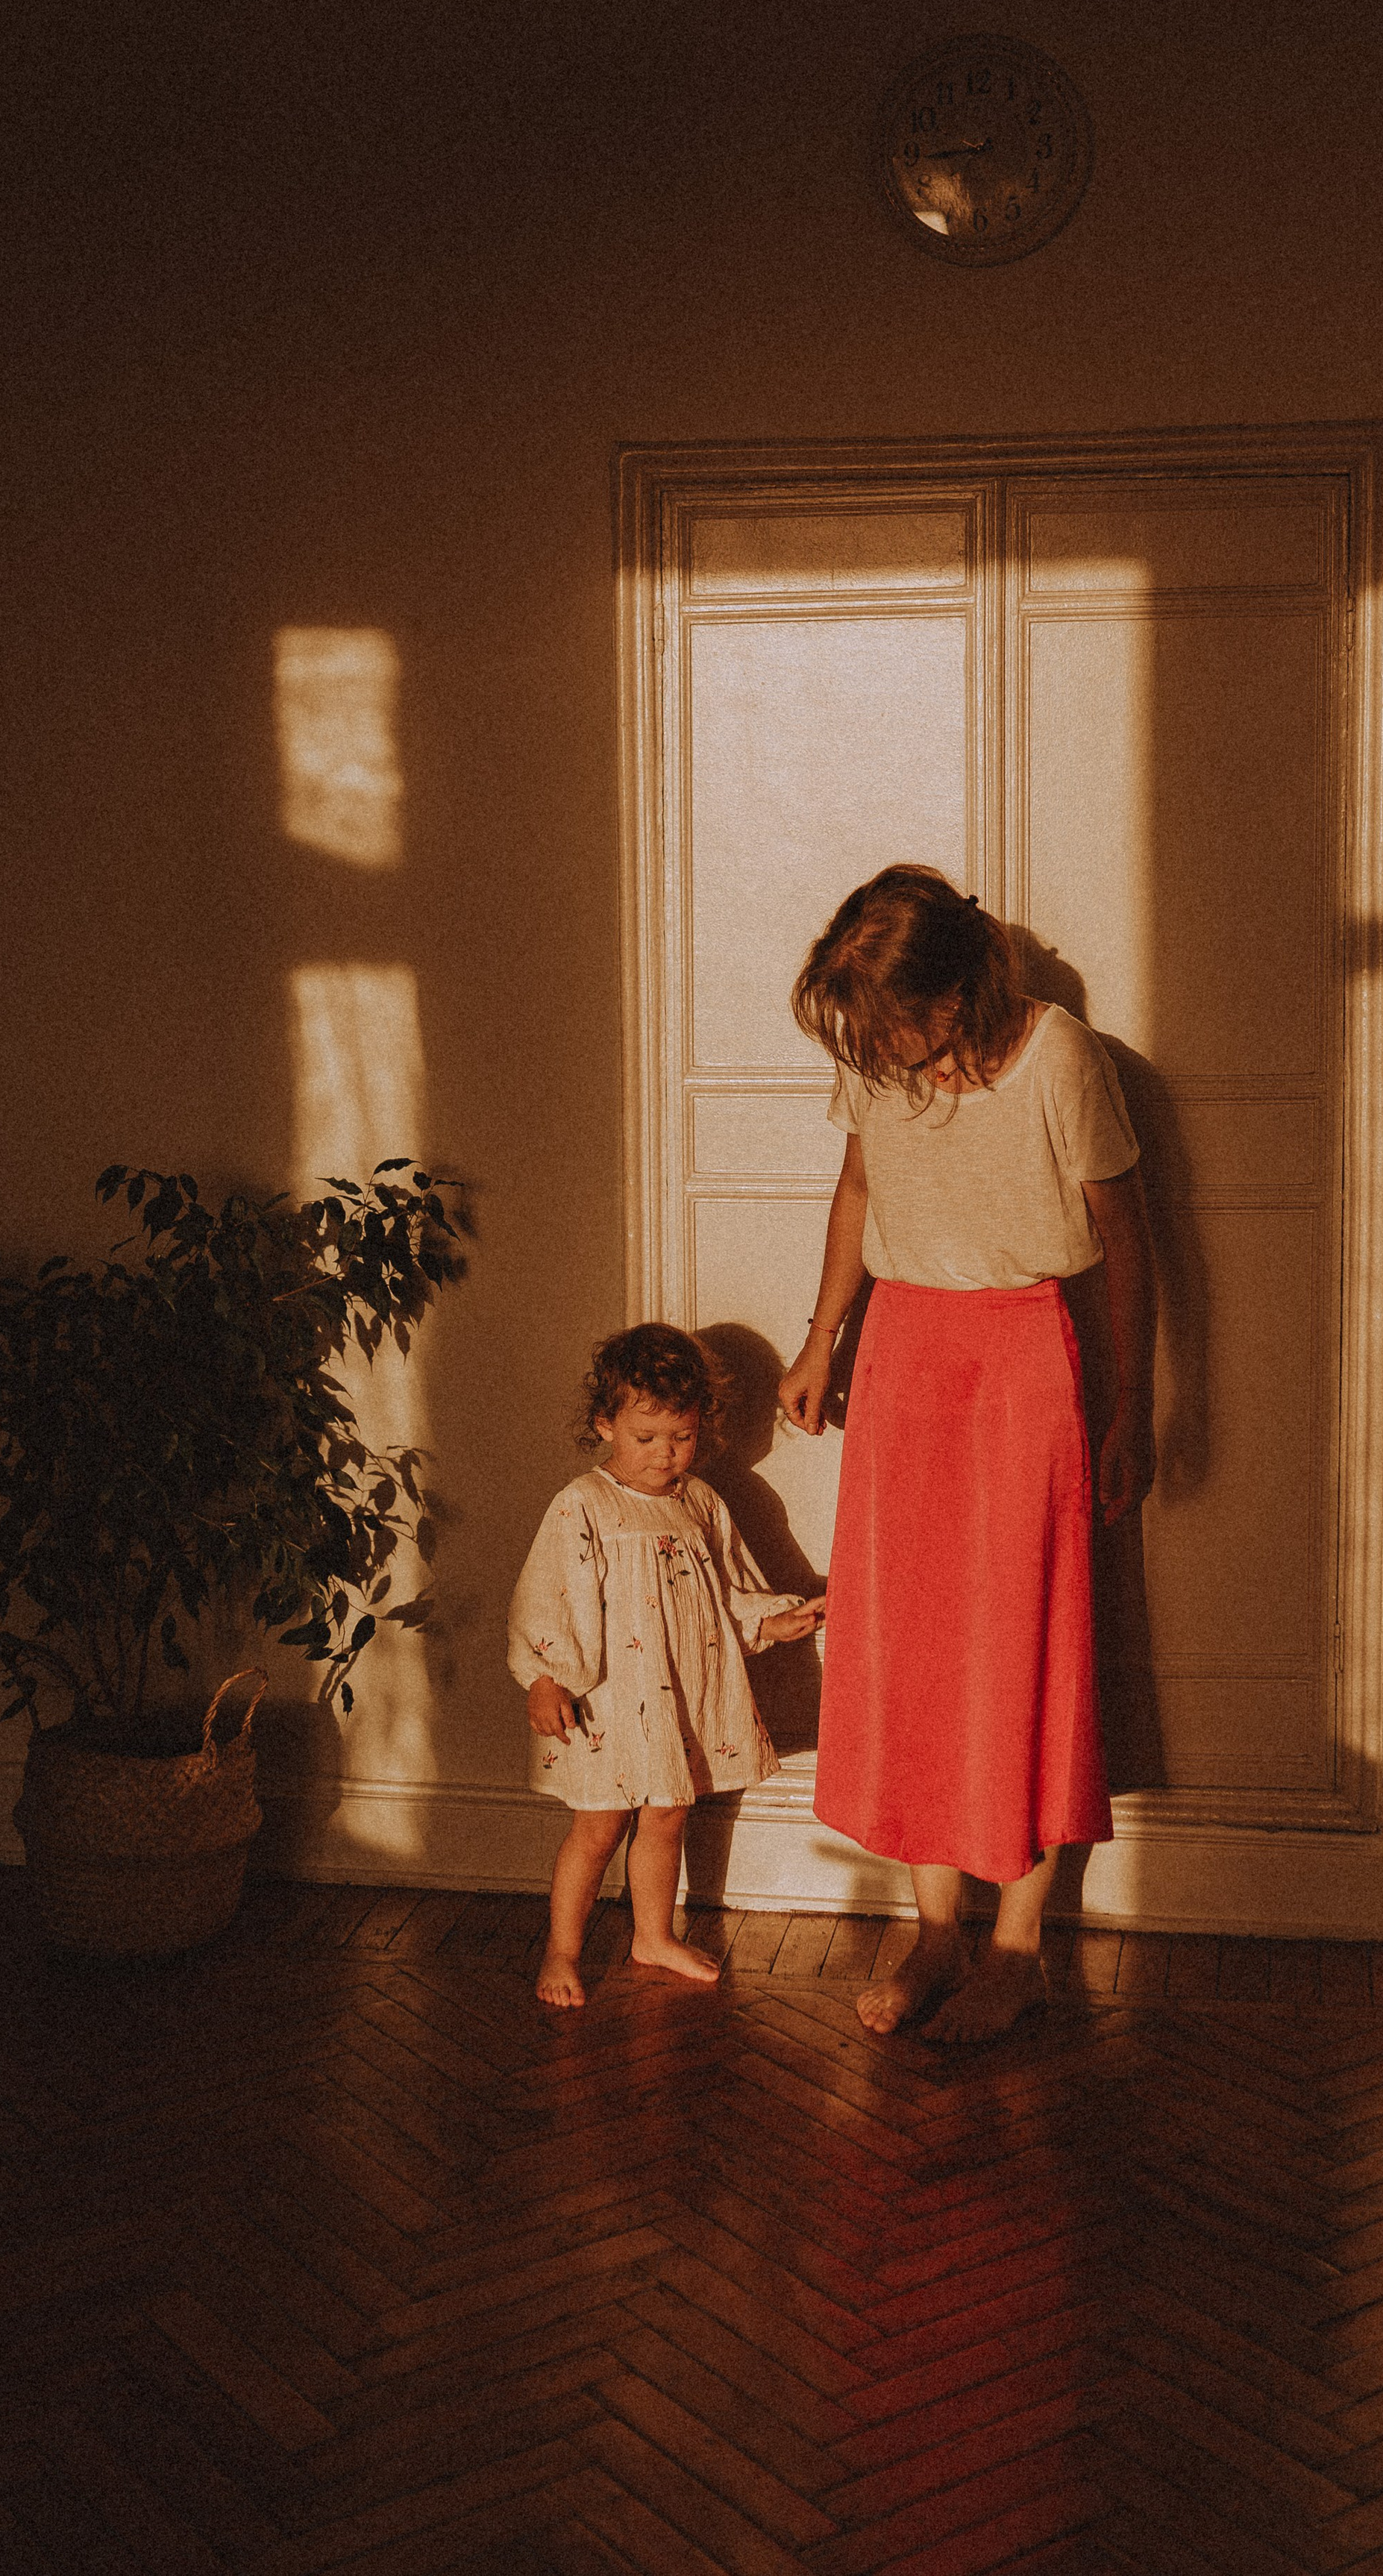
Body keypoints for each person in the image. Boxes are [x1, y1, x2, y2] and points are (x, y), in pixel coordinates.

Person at [778, 865, 1156, 2040]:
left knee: (1019, 1644)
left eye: (891, 1023)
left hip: (1022, 1355)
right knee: (914, 1649)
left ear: (954, 990)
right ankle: (937, 1931)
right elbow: (857, 1188)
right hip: (903, 1354)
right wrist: (822, 1339)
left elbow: (1127, 1238)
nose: (874, 1047)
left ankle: (1016, 1948)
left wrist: (1133, 1406)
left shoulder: (1061, 1059)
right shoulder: (874, 1048)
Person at [509, 1321, 824, 2007]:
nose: (664, 1454)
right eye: (646, 1437)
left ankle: (652, 1934)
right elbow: (548, 1596)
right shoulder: (584, 1505)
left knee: (668, 1814)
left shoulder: (700, 1502)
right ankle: (562, 1950)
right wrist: (544, 1677)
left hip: (680, 1694)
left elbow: (726, 1593)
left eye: (680, 1437)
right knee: (599, 1827)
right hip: (607, 1702)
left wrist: (773, 1621)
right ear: (605, 1424)